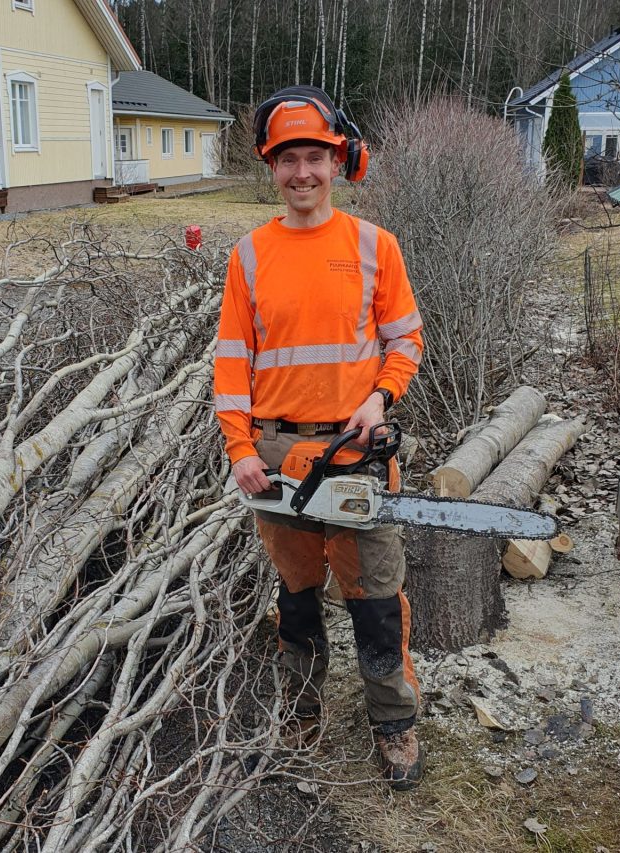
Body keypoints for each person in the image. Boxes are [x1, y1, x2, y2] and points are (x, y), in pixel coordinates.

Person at [213, 86, 426, 790]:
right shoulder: (248, 256)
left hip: (356, 453)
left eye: (315, 157)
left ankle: (394, 723)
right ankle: (301, 713)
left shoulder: (375, 246)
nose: (303, 173)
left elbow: (406, 341)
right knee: (297, 599)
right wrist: (240, 449)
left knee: (376, 600)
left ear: (339, 161)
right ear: (271, 167)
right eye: (289, 160)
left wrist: (379, 397)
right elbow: (231, 364)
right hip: (277, 457)